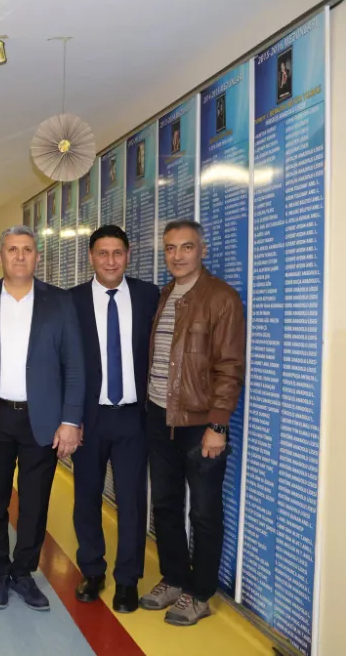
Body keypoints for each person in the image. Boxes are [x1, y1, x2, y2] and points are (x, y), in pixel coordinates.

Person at [0, 225, 84, 612]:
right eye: (12, 249)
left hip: (43, 420)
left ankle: (23, 573)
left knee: (35, 503)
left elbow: (74, 365)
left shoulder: (60, 302)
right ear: (0, 256)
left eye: (27, 249)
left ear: (37, 256)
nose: (19, 256)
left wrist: (70, 420)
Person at [139, 219, 245, 626]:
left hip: (200, 424)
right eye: (170, 248)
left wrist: (217, 425)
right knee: (165, 505)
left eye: (186, 247)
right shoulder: (166, 294)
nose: (177, 255)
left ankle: (199, 593)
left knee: (203, 512)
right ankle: (174, 579)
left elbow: (230, 366)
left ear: (202, 250)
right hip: (159, 417)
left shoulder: (221, 298)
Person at [68, 225, 160, 613]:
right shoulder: (71, 301)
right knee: (86, 497)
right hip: (88, 419)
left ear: (128, 254)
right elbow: (65, 362)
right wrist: (69, 418)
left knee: (132, 500)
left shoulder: (149, 296)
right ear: (91, 256)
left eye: (117, 253)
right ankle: (92, 571)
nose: (110, 261)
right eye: (102, 253)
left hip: (133, 418)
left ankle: (127, 580)